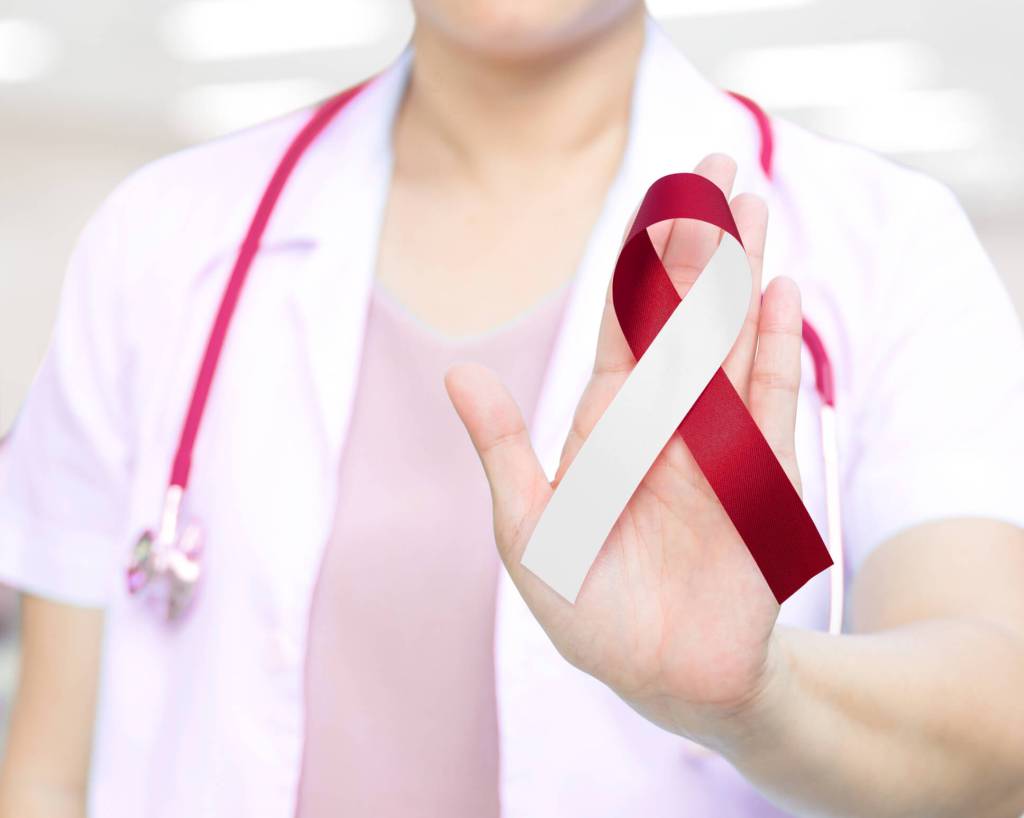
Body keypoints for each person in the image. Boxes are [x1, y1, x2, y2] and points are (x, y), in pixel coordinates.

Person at [1, 1, 1023, 816]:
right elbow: (48, 775)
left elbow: (997, 731)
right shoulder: (161, 244)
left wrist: (764, 698)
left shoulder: (885, 246)